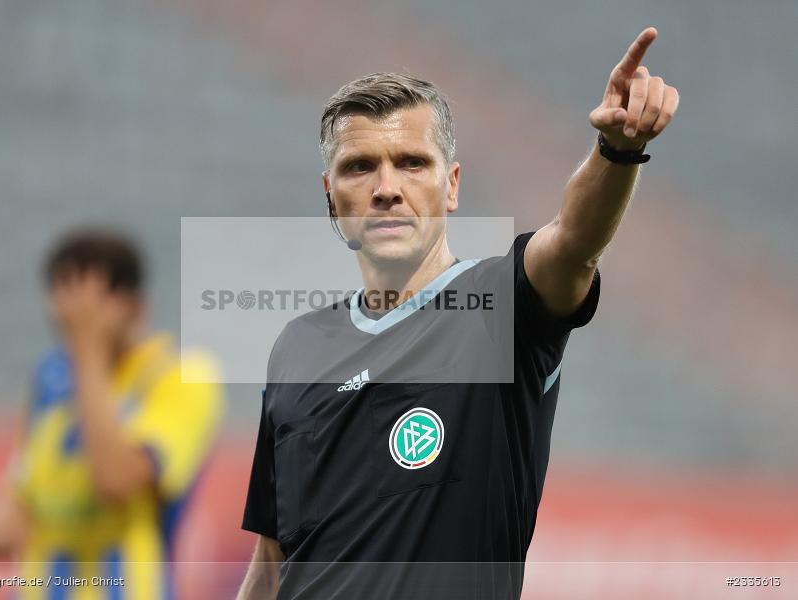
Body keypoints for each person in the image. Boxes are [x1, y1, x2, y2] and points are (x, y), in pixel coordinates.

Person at [237, 27, 679, 600]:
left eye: (412, 163)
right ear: (331, 197)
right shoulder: (296, 347)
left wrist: (617, 152)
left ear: (452, 186)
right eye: (359, 167)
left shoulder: (500, 306)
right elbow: (272, 561)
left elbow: (574, 241)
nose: (386, 188)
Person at [0, 228, 225, 599]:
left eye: (89, 302)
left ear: (135, 306)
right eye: (64, 301)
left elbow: (116, 480)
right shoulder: (51, 379)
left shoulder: (181, 377)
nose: (73, 317)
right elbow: (6, 522)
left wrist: (87, 349)